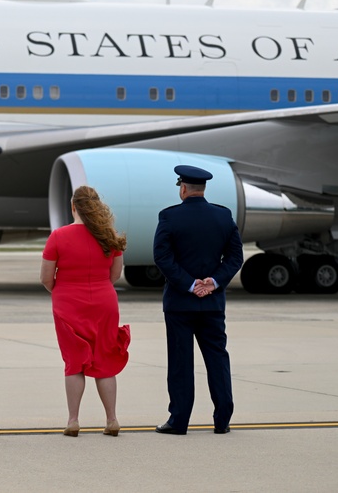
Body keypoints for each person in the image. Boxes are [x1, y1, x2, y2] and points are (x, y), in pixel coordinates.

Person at [152, 165, 243, 436]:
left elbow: (162, 257)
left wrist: (190, 285)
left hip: (180, 304)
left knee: (181, 362)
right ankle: (222, 420)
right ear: (203, 189)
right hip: (213, 304)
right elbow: (235, 258)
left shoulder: (169, 217)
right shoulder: (223, 216)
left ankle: (179, 420)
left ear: (183, 188)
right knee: (217, 358)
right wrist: (212, 282)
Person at [40, 185, 130, 437]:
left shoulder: (58, 236)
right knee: (105, 361)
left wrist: (63, 290)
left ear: (73, 207)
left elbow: (46, 277)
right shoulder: (109, 236)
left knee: (74, 362)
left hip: (68, 301)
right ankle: (112, 419)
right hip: (104, 301)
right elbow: (115, 274)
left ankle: (73, 420)